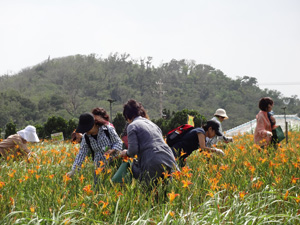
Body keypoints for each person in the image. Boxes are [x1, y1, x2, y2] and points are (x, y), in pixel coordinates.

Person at [119, 99, 178, 188]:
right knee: (166, 193)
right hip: (169, 158)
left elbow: (133, 151)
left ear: (127, 116)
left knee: (149, 194)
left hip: (152, 160)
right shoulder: (153, 124)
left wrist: (125, 153)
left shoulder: (132, 126)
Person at [67, 112, 123, 181]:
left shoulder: (108, 130)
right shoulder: (86, 137)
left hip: (114, 165)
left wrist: (113, 150)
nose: (85, 132)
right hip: (98, 169)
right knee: (98, 189)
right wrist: (74, 170)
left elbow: (119, 142)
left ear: (93, 125)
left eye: (86, 129)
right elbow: (81, 154)